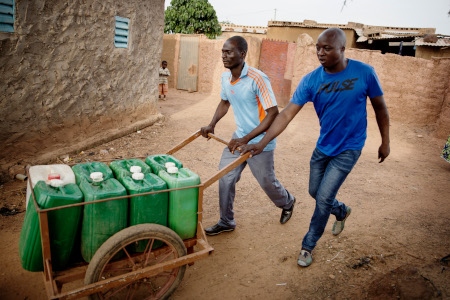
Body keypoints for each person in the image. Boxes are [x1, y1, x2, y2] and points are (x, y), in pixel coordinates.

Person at [239, 28, 390, 267]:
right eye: (318, 48)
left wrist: (385, 141)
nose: (320, 52)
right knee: (314, 192)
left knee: (322, 199)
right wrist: (262, 142)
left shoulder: (365, 73)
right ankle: (341, 211)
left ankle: (308, 245)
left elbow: (380, 107)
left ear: (342, 49)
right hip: (323, 147)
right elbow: (287, 113)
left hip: (349, 147)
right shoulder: (311, 80)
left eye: (327, 48)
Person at [200, 36, 296, 236]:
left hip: (260, 143)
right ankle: (226, 221)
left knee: (267, 182)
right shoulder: (225, 78)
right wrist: (212, 124)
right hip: (240, 137)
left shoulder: (258, 78)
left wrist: (247, 140)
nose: (224, 56)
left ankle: (287, 201)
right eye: (223, 52)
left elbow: (273, 114)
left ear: (242, 55)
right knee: (225, 177)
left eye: (229, 52)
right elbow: (225, 102)